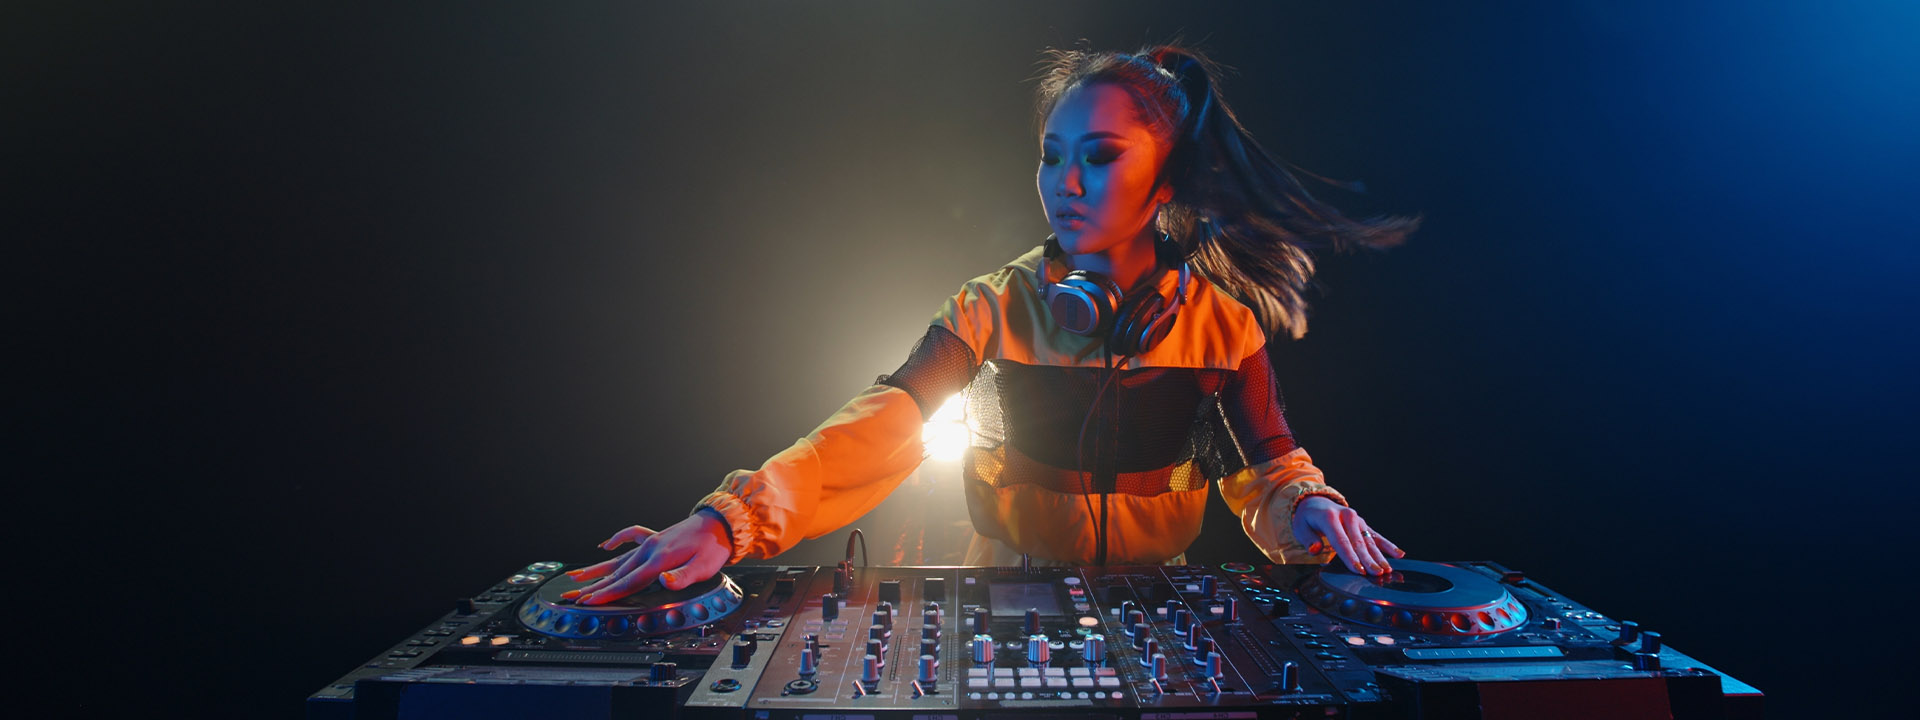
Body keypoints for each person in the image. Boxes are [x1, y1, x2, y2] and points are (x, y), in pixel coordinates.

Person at [564, 44, 1422, 606]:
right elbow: (885, 422)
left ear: (1170, 185)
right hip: (999, 591)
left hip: (1158, 597)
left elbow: (1270, 469)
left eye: (1100, 157)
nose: (1064, 183)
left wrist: (1307, 511)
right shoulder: (991, 306)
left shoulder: (1224, 329)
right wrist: (730, 521)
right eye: (1052, 154)